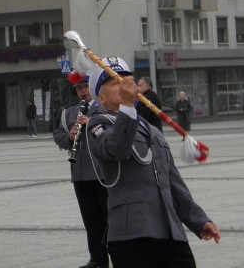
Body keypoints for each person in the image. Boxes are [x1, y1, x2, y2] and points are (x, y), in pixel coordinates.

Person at [87, 57, 221, 267]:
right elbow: (118, 148)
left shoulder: (152, 130)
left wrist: (198, 219)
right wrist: (128, 106)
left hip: (170, 232)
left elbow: (173, 182)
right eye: (116, 83)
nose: (126, 85)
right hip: (131, 234)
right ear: (101, 98)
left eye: (129, 80)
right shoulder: (98, 124)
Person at [53, 71, 109, 268]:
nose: (83, 91)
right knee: (91, 221)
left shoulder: (104, 107)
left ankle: (118, 256)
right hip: (80, 174)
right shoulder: (69, 112)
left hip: (102, 173)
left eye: (85, 87)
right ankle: (97, 259)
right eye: (79, 88)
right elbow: (58, 135)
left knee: (110, 219)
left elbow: (114, 130)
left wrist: (91, 122)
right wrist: (69, 136)